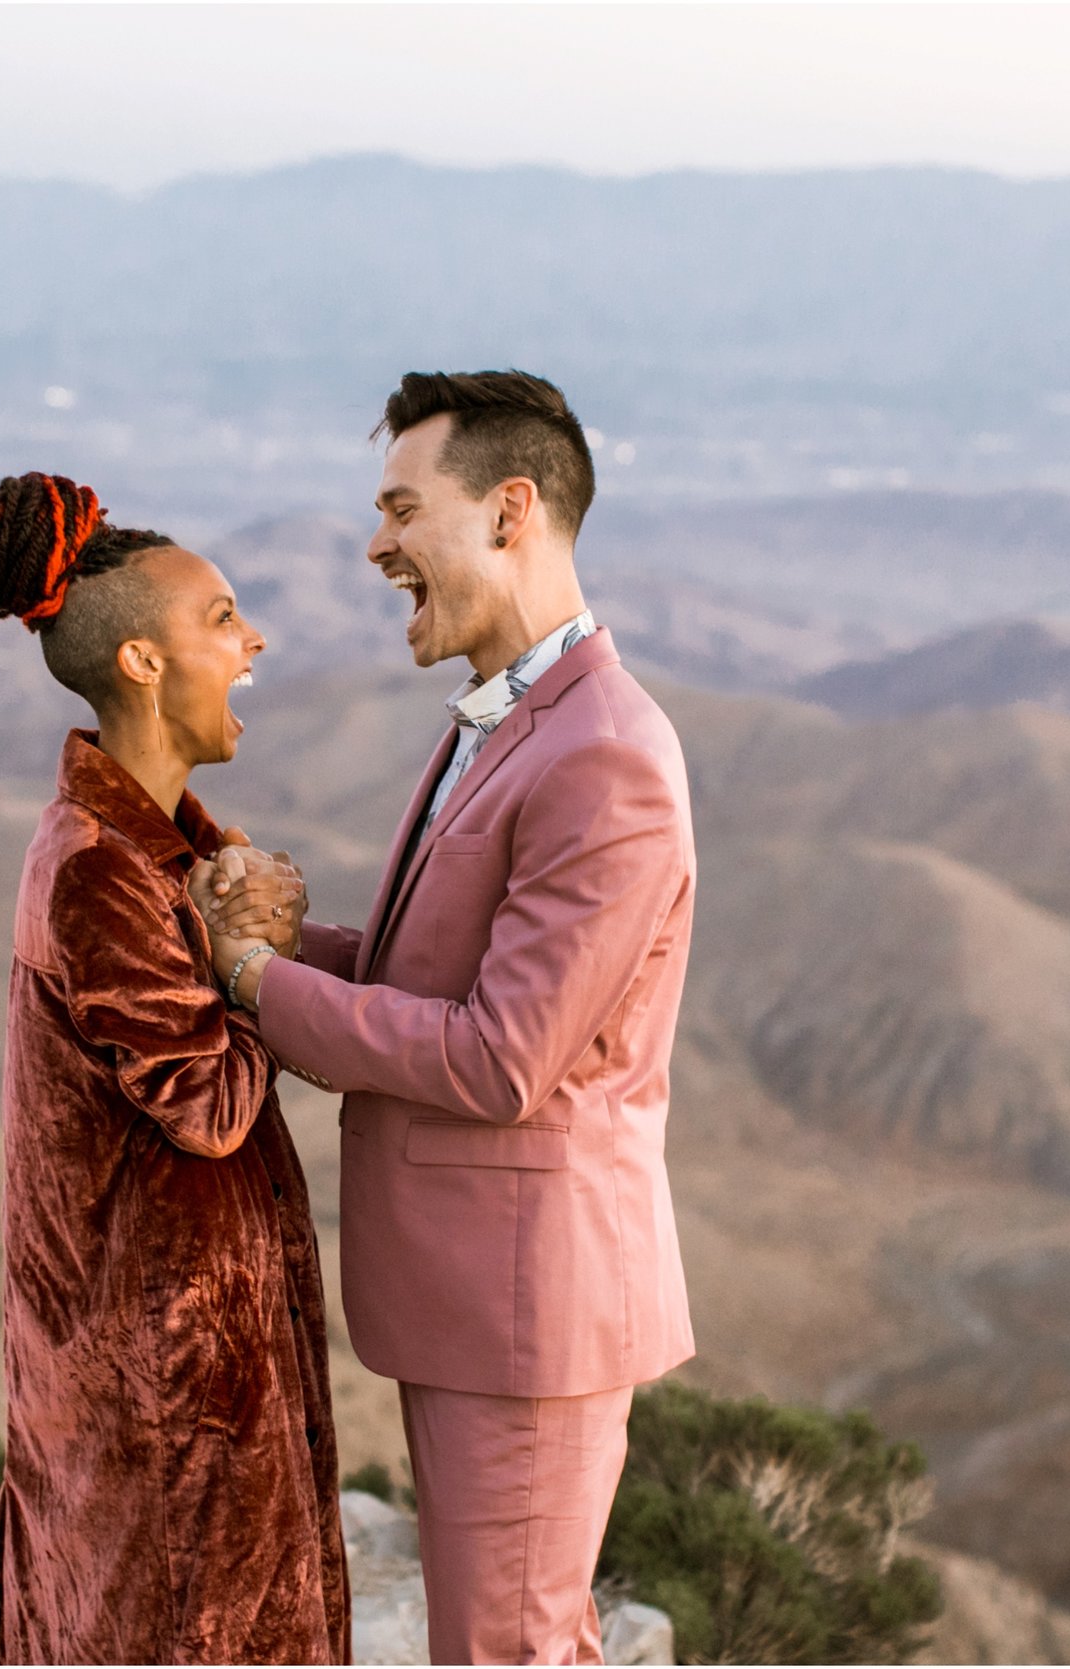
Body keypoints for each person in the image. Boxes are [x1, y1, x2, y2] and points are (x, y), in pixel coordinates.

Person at [196, 372, 697, 1666]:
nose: (377, 543)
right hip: (481, 1296)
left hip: (528, 1304)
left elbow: (494, 1058)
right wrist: (268, 944)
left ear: (509, 511)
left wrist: (258, 988)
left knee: (504, 1651)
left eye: (402, 507)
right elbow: (440, 979)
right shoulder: (506, 721)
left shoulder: (605, 754)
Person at [0, 471, 349, 1666]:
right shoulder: (100, 870)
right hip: (164, 1393)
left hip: (193, 1377)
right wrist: (255, 956)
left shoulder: (153, 846)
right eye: (220, 617)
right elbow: (212, 1103)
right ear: (139, 662)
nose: (253, 637)